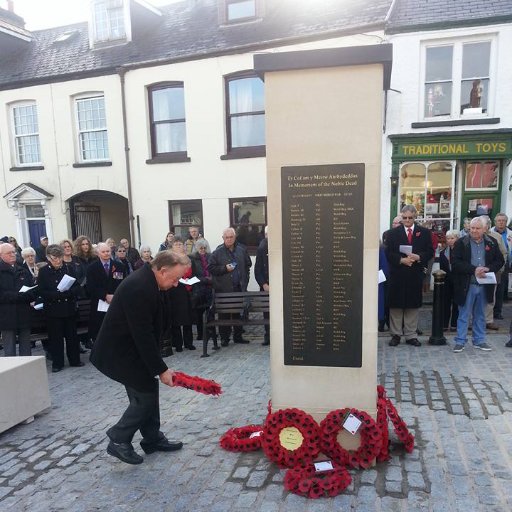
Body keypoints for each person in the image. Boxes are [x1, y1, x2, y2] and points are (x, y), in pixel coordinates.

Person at [90, 251, 190, 465]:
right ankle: (118, 438)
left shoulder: (151, 281)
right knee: (144, 397)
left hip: (133, 349)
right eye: (174, 279)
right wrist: (161, 369)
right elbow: (142, 333)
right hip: (119, 352)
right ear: (162, 271)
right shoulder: (139, 286)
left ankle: (152, 438)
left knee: (148, 390)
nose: (175, 285)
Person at [451, 217, 504, 353]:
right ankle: (460, 341)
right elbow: (455, 263)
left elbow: (500, 261)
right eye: (472, 228)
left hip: (485, 284)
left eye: (477, 228)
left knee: (480, 315)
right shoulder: (461, 243)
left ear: (485, 229)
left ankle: (479, 340)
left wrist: (488, 268)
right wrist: (473, 269)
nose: (473, 230)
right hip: (467, 284)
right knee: (464, 314)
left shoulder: (492, 242)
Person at [385, 205, 433, 347]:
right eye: (404, 218)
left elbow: (430, 251)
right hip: (398, 274)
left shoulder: (424, 232)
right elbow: (388, 253)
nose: (407, 220)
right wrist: (401, 260)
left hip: (414, 274)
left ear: (415, 217)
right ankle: (396, 334)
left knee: (412, 305)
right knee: (396, 305)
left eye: (410, 218)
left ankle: (411, 335)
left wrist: (418, 257)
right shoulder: (392, 233)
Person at [38, 244, 84, 371]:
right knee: (55, 338)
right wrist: (55, 294)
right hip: (53, 309)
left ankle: (75, 360)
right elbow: (41, 291)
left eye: (59, 257)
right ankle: (57, 363)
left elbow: (77, 287)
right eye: (54, 258)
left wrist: (67, 292)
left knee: (72, 336)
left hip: (68, 307)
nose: (58, 261)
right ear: (48, 258)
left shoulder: (69, 268)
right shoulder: (44, 271)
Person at [208, 227, 252, 346]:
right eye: (226, 237)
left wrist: (245, 279)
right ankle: (224, 338)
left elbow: (248, 264)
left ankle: (238, 336)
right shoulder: (218, 252)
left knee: (238, 312)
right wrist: (224, 268)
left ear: (235, 237)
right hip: (224, 289)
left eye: (231, 237)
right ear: (223, 238)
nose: (229, 239)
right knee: (224, 315)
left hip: (239, 287)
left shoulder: (241, 249)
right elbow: (210, 268)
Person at [86, 242, 127, 345]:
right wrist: (105, 295)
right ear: (98, 253)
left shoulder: (119, 266)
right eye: (103, 252)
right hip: (99, 303)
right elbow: (91, 286)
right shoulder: (92, 268)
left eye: (108, 251)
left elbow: (123, 283)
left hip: (116, 302)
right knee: (100, 330)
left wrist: (115, 296)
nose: (106, 253)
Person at [0, 242, 35, 356]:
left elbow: (32, 291)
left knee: (26, 348)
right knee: (9, 350)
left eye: (14, 252)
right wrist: (18, 295)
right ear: (1, 255)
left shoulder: (22, 270)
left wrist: (25, 295)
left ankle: (27, 371)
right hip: (6, 315)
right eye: (9, 253)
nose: (13, 254)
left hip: (23, 313)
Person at [166, 238, 195, 351]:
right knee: (176, 319)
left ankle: (189, 343)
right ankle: (178, 344)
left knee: (187, 318)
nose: (178, 246)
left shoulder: (189, 258)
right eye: (176, 244)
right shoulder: (169, 259)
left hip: (187, 290)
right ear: (172, 246)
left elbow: (194, 272)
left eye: (180, 244)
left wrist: (191, 280)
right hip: (174, 290)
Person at [480, 215, 507, 330]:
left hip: (493, 273)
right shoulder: (472, 237)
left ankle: (488, 320)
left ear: (488, 226)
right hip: (476, 272)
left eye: (485, 225)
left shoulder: (496, 237)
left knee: (490, 297)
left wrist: (499, 269)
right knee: (474, 296)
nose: (483, 227)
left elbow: (503, 254)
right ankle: (474, 320)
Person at [190, 239, 216, 343]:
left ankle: (211, 332)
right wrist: (205, 279)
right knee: (199, 313)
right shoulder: (192, 259)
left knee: (210, 312)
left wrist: (211, 278)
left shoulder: (210, 257)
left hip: (209, 288)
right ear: (197, 248)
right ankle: (200, 334)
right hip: (198, 288)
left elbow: (213, 270)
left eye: (205, 248)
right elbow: (192, 276)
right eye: (201, 248)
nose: (203, 250)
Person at [491, 212, 512, 316]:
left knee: (500, 288)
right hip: (492, 263)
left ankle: (497, 312)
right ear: (495, 222)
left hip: (505, 262)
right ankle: (489, 311)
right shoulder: (489, 232)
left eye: (503, 221)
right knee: (490, 288)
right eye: (499, 220)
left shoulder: (510, 233)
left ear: (506, 222)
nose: (501, 223)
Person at [439, 230, 459, 332]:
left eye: (452, 238)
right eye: (448, 238)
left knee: (457, 303)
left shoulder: (461, 251)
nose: (450, 240)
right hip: (447, 281)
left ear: (457, 239)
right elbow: (442, 268)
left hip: (458, 281)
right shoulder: (443, 253)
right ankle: (444, 324)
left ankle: (454, 324)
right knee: (445, 303)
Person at [254, 226, 270, 345]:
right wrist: (264, 284)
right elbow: (257, 270)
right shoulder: (262, 248)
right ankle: (268, 336)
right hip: (266, 285)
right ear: (265, 235)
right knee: (267, 312)